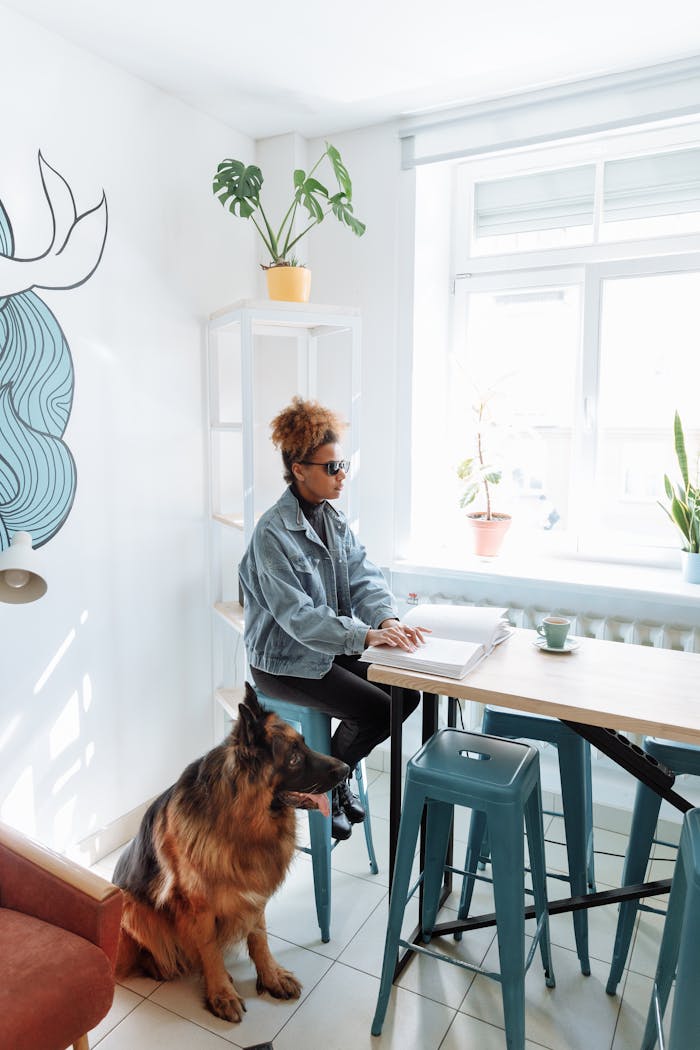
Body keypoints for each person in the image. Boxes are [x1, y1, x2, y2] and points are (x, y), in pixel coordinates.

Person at [239, 396, 428, 841]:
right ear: (299, 469)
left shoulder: (333, 519)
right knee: (380, 710)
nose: (341, 475)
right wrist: (363, 636)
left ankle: (333, 779)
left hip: (329, 649)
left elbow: (364, 576)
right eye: (331, 467)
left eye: (342, 464)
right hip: (283, 663)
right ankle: (321, 783)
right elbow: (300, 620)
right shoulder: (271, 535)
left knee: (408, 696)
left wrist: (383, 621)